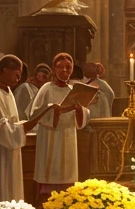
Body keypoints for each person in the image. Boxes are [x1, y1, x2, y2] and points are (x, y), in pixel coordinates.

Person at [29, 52, 97, 201]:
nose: (65, 70)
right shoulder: (47, 88)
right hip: (49, 137)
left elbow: (82, 119)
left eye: (68, 67)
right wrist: (56, 111)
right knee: (49, 174)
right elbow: (34, 113)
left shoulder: (73, 90)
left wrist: (80, 109)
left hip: (68, 136)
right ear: (54, 68)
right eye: (61, 67)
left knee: (67, 176)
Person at [0, 54, 48, 203]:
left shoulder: (7, 91)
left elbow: (12, 123)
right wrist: (33, 121)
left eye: (21, 70)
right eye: (16, 70)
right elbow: (2, 132)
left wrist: (22, 126)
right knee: (0, 191)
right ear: (4, 70)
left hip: (10, 153)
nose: (20, 74)